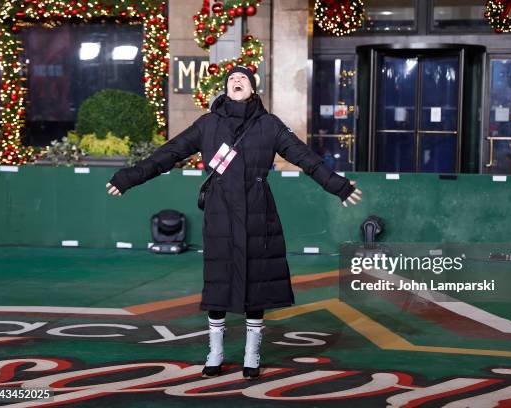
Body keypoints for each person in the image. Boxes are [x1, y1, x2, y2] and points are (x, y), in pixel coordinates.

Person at [106, 66, 362, 380]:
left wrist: (338, 185)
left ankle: (251, 354)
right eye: (231, 79)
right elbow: (169, 153)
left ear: (253, 89)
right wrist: (128, 177)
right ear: (225, 90)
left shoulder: (269, 125)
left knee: (256, 283)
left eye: (243, 78)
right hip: (220, 212)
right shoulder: (208, 124)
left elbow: (304, 157)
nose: (236, 81)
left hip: (258, 211)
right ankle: (215, 352)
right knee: (218, 281)